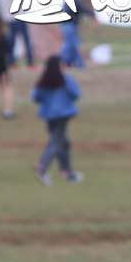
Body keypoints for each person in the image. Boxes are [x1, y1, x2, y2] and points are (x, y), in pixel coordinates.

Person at [31, 56, 82, 185]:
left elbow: (36, 97)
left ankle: (67, 172)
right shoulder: (65, 80)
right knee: (56, 143)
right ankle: (42, 168)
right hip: (62, 115)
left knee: (63, 142)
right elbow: (75, 94)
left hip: (49, 116)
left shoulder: (44, 81)